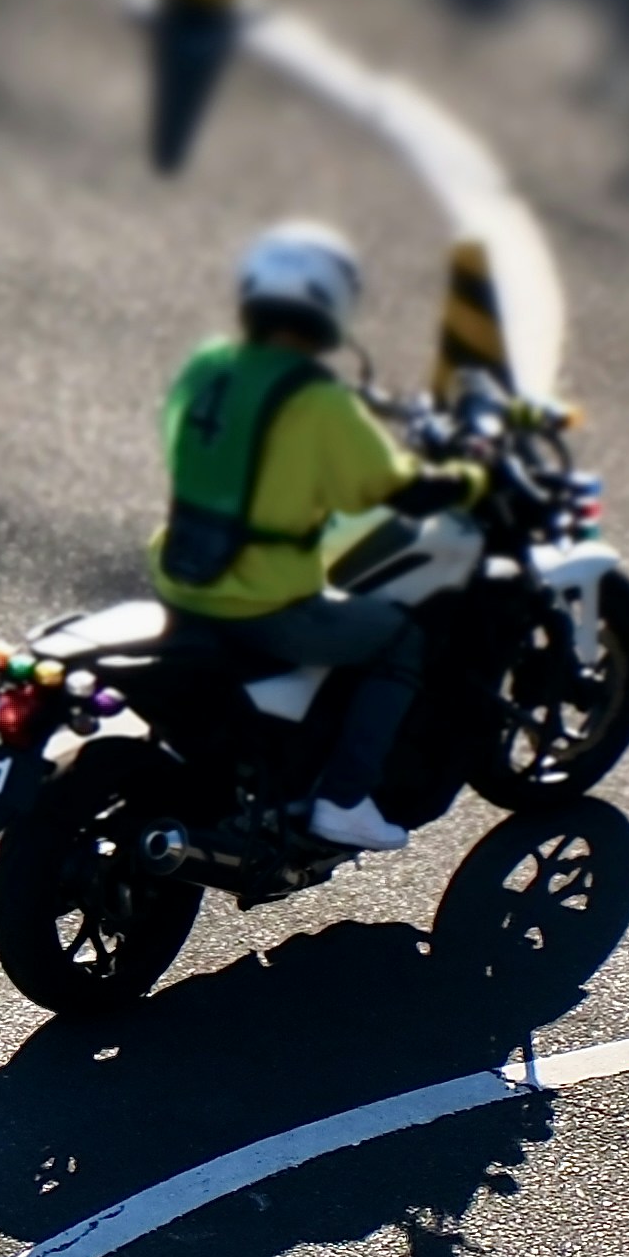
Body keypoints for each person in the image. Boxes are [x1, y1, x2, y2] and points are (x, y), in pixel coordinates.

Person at [150, 219, 483, 854]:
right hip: (261, 603)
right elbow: (384, 487)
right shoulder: (318, 400)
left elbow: (177, 439)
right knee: (401, 639)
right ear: (332, 306)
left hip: (180, 576)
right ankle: (345, 801)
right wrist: (467, 481)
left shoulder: (207, 365)